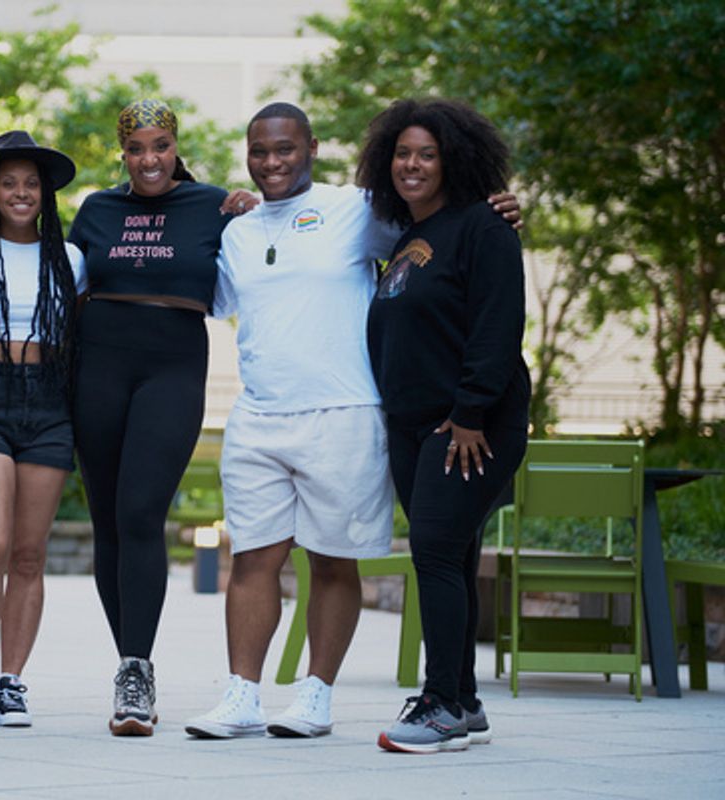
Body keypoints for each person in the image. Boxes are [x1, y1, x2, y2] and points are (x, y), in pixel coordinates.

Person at [184, 102, 520, 741]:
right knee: (252, 558)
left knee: (333, 560)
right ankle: (242, 696)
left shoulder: (361, 209)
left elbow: (446, 233)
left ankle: (316, 695)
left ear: (311, 147)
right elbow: (215, 298)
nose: (272, 162)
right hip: (258, 413)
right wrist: (218, 211)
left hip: (344, 411)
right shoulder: (239, 232)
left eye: (285, 149)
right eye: (259, 151)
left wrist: (497, 210)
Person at [67, 99, 250, 736]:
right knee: (108, 522)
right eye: (137, 148)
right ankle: (132, 667)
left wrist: (261, 209)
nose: (150, 159)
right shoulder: (96, 209)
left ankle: (136, 667)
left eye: (161, 146)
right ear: (123, 151)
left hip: (172, 370)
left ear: (176, 146)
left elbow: (275, 240)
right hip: (98, 369)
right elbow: (56, 276)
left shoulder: (215, 205)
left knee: (142, 513)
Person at [359, 98, 529, 753]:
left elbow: (497, 325)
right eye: (402, 153)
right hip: (412, 425)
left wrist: (469, 413)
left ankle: (439, 704)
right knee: (450, 553)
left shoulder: (485, 227)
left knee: (431, 550)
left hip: (467, 424)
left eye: (426, 153)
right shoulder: (406, 237)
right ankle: (463, 699)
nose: (412, 164)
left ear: (452, 159)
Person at [0, 131, 86, 728]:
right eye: (9, 183)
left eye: (31, 183)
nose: (21, 192)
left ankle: (12, 681)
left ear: (46, 193)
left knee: (29, 555)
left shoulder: (71, 259)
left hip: (48, 404)